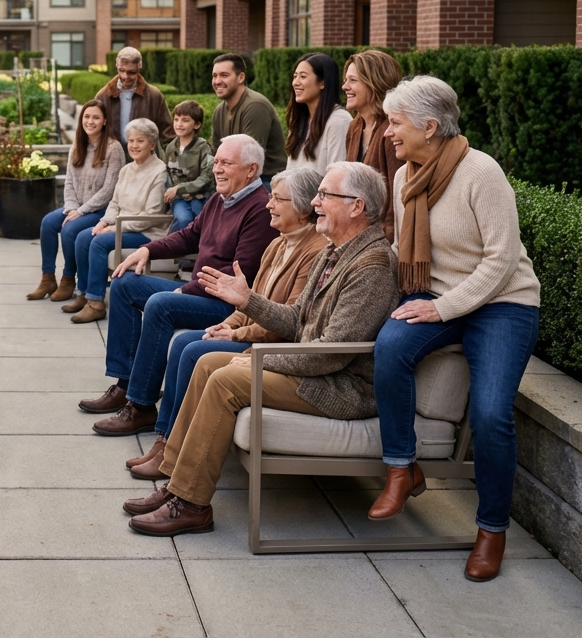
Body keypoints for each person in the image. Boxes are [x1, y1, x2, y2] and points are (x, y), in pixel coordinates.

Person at [123, 161, 399, 539]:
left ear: (357, 206)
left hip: (339, 386)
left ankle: (191, 504)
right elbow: (297, 318)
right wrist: (248, 300)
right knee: (206, 363)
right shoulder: (336, 250)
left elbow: (333, 353)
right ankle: (175, 479)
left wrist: (259, 356)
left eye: (325, 195)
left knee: (226, 380)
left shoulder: (371, 264)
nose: (315, 202)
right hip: (313, 369)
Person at [369, 76, 541, 583]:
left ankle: (491, 530)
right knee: (390, 347)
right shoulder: (405, 177)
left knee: (491, 416)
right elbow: (405, 251)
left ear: (429, 125)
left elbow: (503, 259)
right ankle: (403, 468)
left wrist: (444, 309)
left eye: (395, 123)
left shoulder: (481, 172)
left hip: (504, 302)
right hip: (436, 294)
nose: (387, 133)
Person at [127, 167, 328, 479]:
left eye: (277, 199)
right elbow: (249, 298)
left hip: (272, 345)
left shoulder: (313, 251)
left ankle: (170, 446)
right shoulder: (279, 243)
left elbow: (286, 320)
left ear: (303, 210)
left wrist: (237, 333)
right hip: (250, 329)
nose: (269, 205)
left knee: (191, 348)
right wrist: (231, 325)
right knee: (182, 341)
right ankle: (164, 438)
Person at [80, 134, 278, 436]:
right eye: (217, 162)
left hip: (226, 305)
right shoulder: (220, 199)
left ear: (251, 170)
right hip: (200, 292)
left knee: (161, 305)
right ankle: (125, 384)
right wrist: (148, 249)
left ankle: (142, 406)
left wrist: (185, 290)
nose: (217, 169)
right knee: (123, 284)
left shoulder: (258, 208)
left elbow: (238, 274)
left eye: (226, 163)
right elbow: (189, 236)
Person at [64, 118, 169, 324]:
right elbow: (114, 203)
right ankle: (85, 294)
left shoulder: (159, 171)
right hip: (121, 225)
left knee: (99, 243)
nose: (134, 146)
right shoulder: (127, 169)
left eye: (140, 141)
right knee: (85, 237)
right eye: (131, 141)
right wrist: (105, 222)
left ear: (152, 144)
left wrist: (115, 228)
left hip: (147, 231)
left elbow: (151, 215)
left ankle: (96, 304)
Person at [27, 98, 125, 302]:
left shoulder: (113, 148)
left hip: (100, 211)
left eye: (96, 117)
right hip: (76, 207)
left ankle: (68, 279)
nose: (90, 121)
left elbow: (109, 190)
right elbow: (69, 182)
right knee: (48, 223)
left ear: (105, 121)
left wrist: (81, 211)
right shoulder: (77, 146)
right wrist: (72, 207)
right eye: (87, 117)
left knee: (71, 230)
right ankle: (47, 279)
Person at [343, 49, 402, 242]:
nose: (345, 87)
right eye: (346, 80)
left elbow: (397, 197)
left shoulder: (391, 132)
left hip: (384, 240)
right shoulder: (355, 127)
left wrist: (388, 241)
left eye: (353, 80)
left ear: (374, 83)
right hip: (356, 232)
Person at [209, 54, 286, 184]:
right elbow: (216, 153)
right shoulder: (219, 111)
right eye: (214, 76)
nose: (217, 81)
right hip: (233, 175)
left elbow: (249, 161)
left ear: (241, 77)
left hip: (267, 180)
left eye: (224, 75)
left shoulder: (255, 106)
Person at [95, 46, 174, 148]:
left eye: (131, 72)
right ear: (116, 66)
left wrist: (171, 159)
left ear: (139, 68)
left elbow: (167, 132)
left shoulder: (154, 95)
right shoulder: (103, 96)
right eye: (121, 70)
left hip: (145, 158)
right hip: (112, 157)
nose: (125, 76)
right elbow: (94, 130)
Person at [285, 53, 352, 173]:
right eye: (295, 76)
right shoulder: (300, 121)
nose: (295, 82)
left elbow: (337, 175)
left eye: (303, 76)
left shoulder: (339, 121)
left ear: (322, 83)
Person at [162, 100, 214, 232]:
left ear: (197, 125)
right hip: (180, 198)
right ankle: (167, 248)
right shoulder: (170, 148)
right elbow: (167, 175)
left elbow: (206, 178)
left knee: (199, 218)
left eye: (185, 120)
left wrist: (179, 188)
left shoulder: (204, 148)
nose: (179, 124)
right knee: (184, 219)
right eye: (176, 119)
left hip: (202, 196)